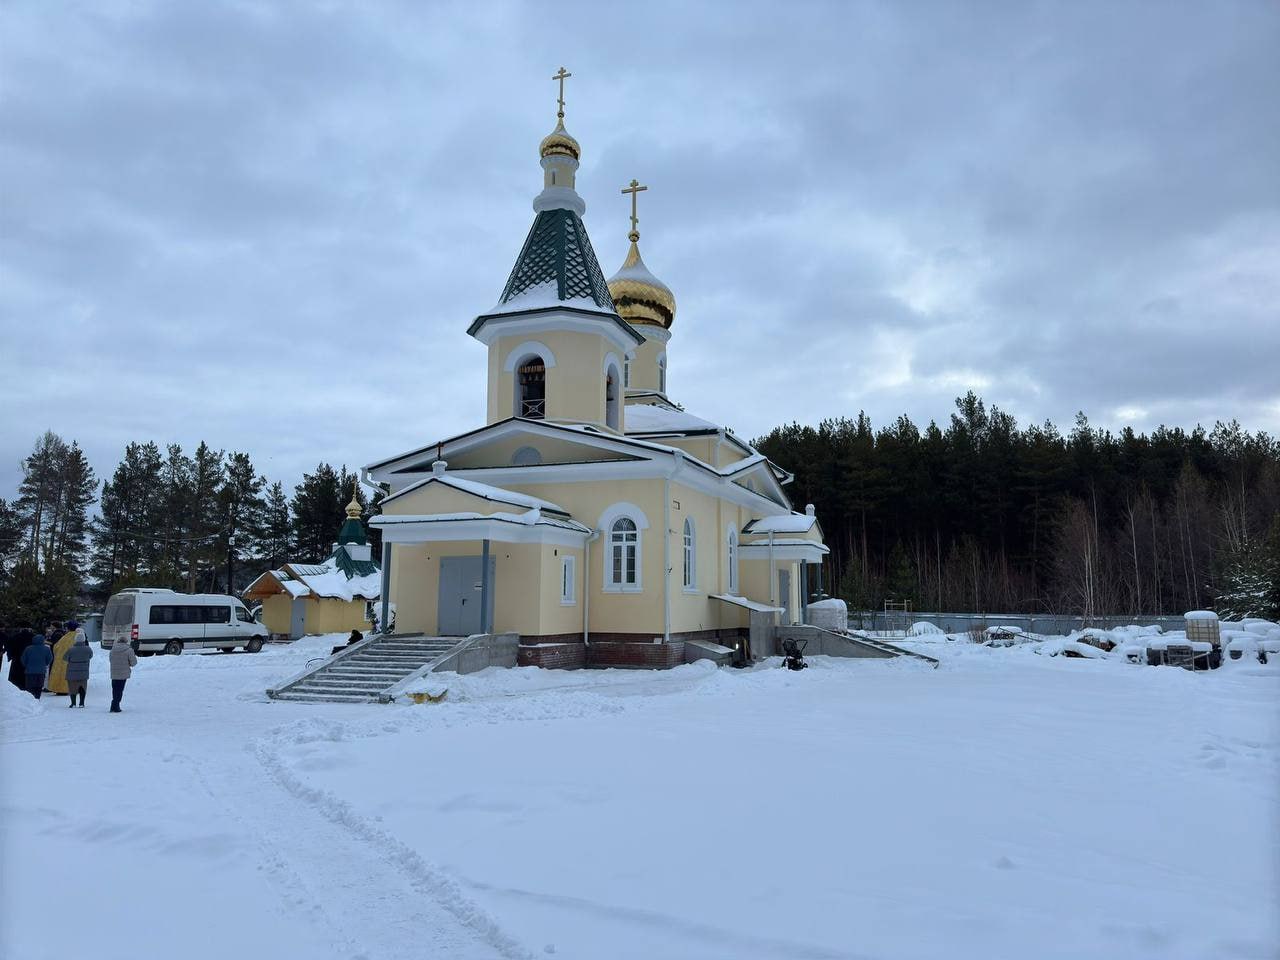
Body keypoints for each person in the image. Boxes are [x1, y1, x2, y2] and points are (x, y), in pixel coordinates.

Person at [47, 621, 81, 696]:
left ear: (68, 628)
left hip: (63, 660)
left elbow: (56, 647)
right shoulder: (78, 636)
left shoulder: (65, 637)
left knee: (63, 674)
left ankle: (61, 689)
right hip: (75, 660)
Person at [62, 633, 93, 708]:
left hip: (72, 672)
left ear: (75, 639)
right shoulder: (88, 649)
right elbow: (91, 656)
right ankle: (81, 703)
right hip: (84, 671)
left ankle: (73, 703)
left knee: (72, 688)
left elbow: (65, 658)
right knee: (82, 687)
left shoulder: (71, 649)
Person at [21, 631, 54, 699]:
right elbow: (50, 658)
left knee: (30, 687)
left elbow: (23, 659)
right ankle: (37, 698)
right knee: (39, 687)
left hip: (29, 671)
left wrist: (26, 665)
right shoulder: (46, 649)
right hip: (41, 671)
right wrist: (45, 664)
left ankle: (30, 700)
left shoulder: (28, 648)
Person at [109, 638, 138, 713]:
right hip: (123, 673)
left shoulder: (112, 650)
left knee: (115, 689)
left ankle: (114, 705)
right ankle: (115, 705)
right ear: (126, 642)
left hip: (114, 673)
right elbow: (133, 663)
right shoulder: (129, 650)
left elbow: (110, 660)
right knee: (120, 690)